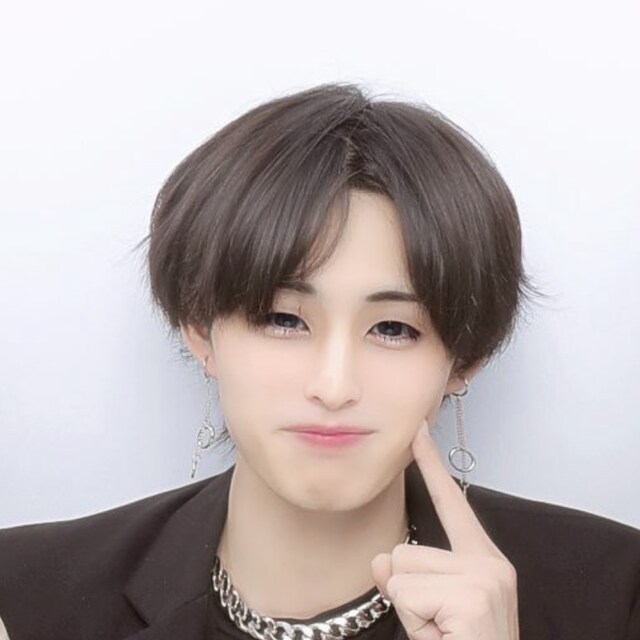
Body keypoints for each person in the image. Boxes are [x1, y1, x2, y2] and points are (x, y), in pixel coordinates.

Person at [0, 83, 639, 640]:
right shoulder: (26, 595)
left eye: (393, 329)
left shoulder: (613, 592)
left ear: (464, 359)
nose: (334, 386)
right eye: (283, 320)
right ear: (199, 328)